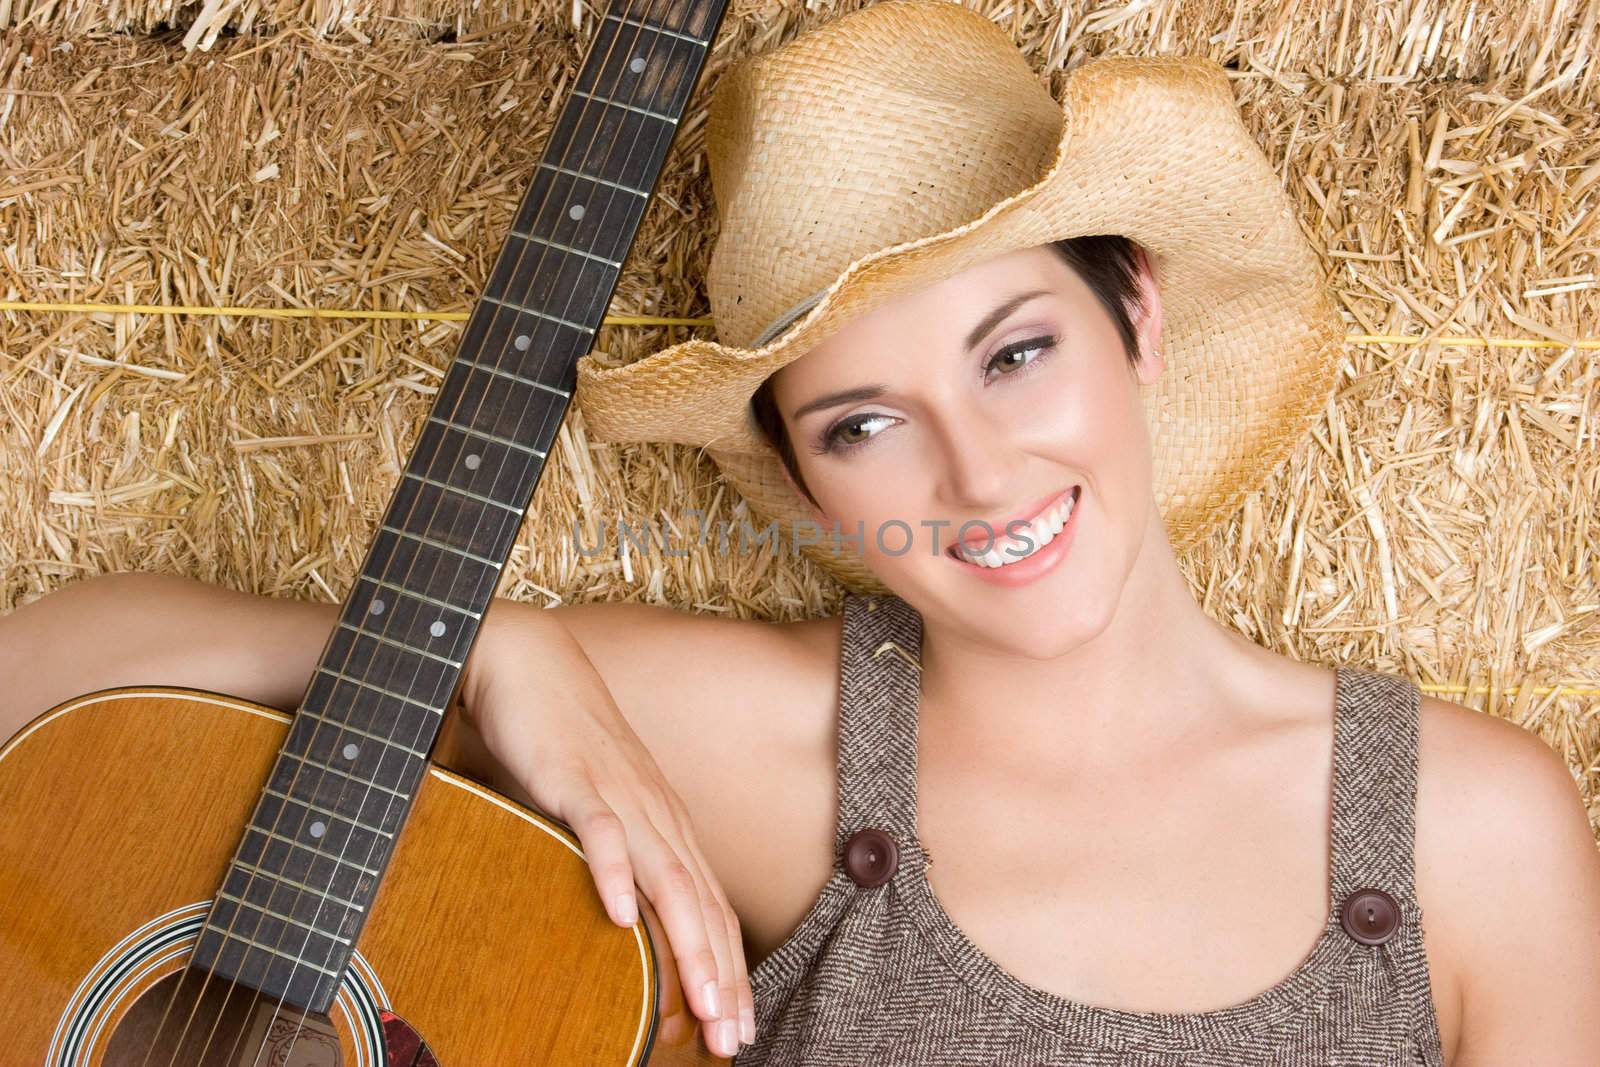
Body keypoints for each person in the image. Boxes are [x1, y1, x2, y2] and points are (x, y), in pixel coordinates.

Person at [3, 2, 1598, 1064]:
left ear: (1140, 321)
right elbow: (33, 678)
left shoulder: (1473, 831)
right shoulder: (778, 750)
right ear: (807, 484)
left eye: (1017, 353)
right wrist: (490, 648)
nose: (975, 471)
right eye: (863, 422)